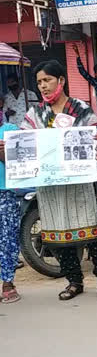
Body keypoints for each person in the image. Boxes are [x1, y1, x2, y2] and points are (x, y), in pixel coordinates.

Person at [22, 60, 97, 300]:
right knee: (56, 234)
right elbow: (25, 143)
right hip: (50, 184)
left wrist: (95, 148)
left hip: (79, 182)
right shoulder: (34, 114)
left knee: (91, 230)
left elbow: (95, 135)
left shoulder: (80, 109)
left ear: (61, 81)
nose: (43, 86)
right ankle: (74, 281)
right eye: (39, 82)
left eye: (47, 80)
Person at [0, 119, 21, 303]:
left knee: (8, 239)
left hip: (5, 192)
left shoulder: (10, 130)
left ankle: (8, 282)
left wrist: (3, 153)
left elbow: (20, 164)